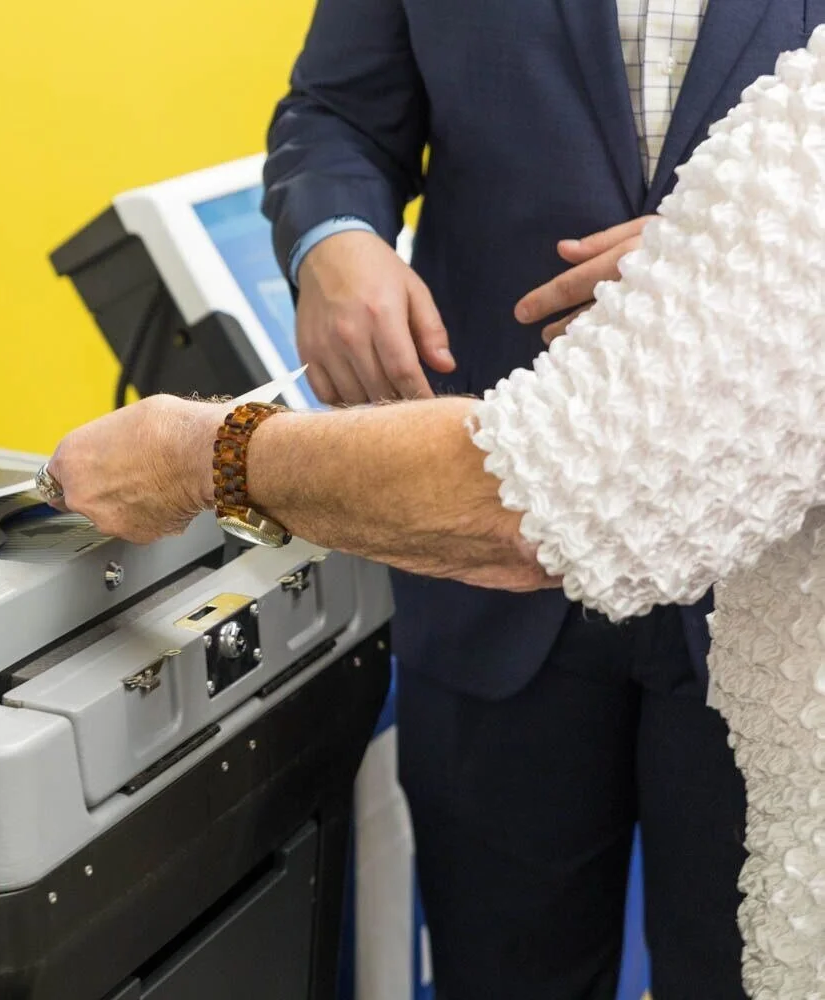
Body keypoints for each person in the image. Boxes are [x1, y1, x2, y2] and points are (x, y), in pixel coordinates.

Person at [44, 28, 825, 1000]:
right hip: (487, 611)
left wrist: (202, 455)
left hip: (758, 579)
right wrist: (336, 239)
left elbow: (528, 502)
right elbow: (332, 111)